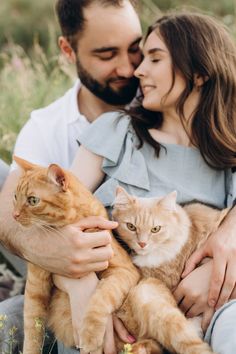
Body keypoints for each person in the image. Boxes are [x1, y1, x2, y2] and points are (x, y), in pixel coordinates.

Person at [54, 11, 236, 354]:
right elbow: (58, 216)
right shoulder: (116, 131)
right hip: (111, 315)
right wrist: (85, 292)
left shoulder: (227, 157)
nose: (138, 70)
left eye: (155, 58)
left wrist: (212, 270)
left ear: (198, 73)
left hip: (201, 318)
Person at [0, 0, 142, 352]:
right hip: (56, 266)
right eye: (107, 54)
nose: (127, 67)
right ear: (67, 49)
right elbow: (7, 217)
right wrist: (65, 266)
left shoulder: (163, 91)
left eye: (135, 49)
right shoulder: (48, 125)